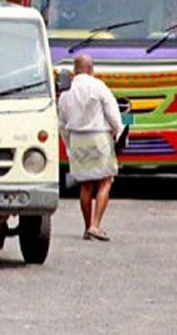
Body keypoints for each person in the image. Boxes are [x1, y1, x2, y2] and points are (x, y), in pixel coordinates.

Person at [57, 54, 123, 241]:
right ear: (91, 69)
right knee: (105, 180)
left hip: (77, 138)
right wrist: (119, 132)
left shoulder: (66, 94)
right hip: (98, 137)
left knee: (86, 185)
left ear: (74, 71)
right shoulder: (99, 87)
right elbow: (113, 113)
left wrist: (69, 144)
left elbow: (61, 123)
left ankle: (87, 227)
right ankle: (95, 225)